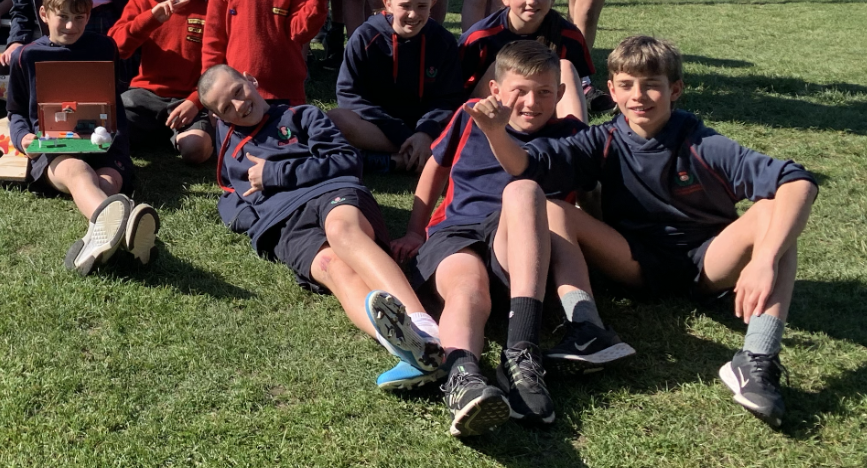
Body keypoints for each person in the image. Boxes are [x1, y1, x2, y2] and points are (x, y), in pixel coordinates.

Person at [468, 35, 819, 427]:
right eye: (627, 85)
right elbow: (527, 166)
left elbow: (798, 181)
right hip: (633, 262)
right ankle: (587, 328)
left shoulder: (703, 142)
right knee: (552, 207)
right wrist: (496, 132)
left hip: (707, 264)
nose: (639, 96)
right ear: (612, 90)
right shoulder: (603, 140)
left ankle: (757, 359)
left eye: (651, 84)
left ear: (675, 89)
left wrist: (764, 259)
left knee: (775, 214)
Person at [386, 42, 623, 432]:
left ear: (561, 94)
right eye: (520, 91)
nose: (532, 102)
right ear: (495, 90)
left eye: (544, 92)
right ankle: (462, 376)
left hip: (520, 249)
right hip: (457, 233)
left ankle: (521, 355)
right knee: (467, 288)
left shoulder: (572, 136)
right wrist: (414, 229)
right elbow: (436, 167)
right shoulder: (470, 116)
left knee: (525, 191)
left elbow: (592, 193)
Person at [197, 64, 445, 388]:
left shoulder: (302, 116)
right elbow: (230, 194)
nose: (239, 105)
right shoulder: (231, 150)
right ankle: (410, 351)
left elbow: (346, 160)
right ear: (219, 118)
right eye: (227, 107)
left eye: (238, 91)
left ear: (251, 80)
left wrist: (276, 174)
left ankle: (424, 327)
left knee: (341, 232)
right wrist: (253, 223)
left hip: (331, 193)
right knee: (334, 270)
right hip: (284, 225)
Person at [7, 0, 157, 275]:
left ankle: (99, 238)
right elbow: (15, 111)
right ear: (44, 13)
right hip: (56, 151)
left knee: (108, 182)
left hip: (105, 145)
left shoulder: (104, 48)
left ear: (89, 16)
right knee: (79, 173)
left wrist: (117, 142)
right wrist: (23, 138)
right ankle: (129, 228)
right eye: (62, 16)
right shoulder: (26, 56)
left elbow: (112, 102)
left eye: (79, 18)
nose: (71, 26)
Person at [332, 0, 462, 174]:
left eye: (422, 6)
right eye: (405, 5)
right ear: (388, 4)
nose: (413, 14)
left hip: (427, 128)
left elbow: (448, 98)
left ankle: (394, 159)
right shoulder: (365, 37)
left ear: (433, 3)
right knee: (337, 120)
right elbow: (349, 95)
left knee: (470, 124)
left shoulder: (443, 41)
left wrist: (425, 132)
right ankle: (417, 155)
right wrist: (402, 135)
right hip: (380, 127)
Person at [109, 0, 213, 161]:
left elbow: (222, 62)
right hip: (144, 96)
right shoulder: (144, 1)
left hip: (191, 97)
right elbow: (115, 48)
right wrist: (150, 19)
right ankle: (160, 132)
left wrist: (196, 101)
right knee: (106, 133)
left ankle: (178, 135)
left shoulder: (214, 4)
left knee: (196, 150)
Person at [459, 0, 593, 120]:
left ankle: (575, 135)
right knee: (501, 65)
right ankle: (481, 131)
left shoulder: (569, 36)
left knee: (564, 66)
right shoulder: (480, 37)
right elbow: (457, 89)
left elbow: (575, 86)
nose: (531, 1)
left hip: (546, 113)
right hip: (497, 117)